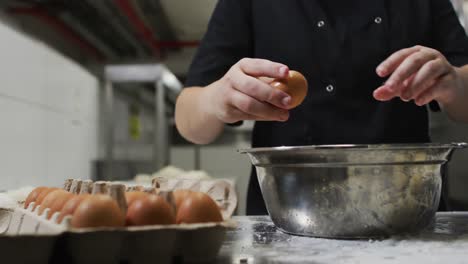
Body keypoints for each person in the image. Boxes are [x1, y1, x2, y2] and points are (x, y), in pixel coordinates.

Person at [175, 0, 468, 215]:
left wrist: (454, 82)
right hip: (289, 215)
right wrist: (215, 100)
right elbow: (188, 120)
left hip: (406, 212)